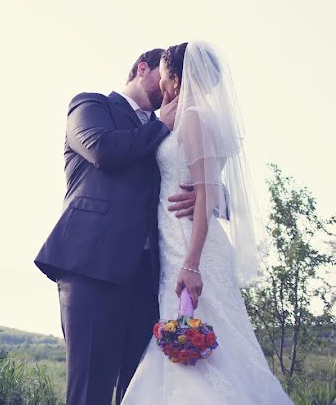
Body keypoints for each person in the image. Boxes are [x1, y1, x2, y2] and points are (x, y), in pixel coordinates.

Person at [120, 41, 292, 404]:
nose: (162, 87)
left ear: (178, 80)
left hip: (190, 248)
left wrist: (192, 263)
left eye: (165, 78)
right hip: (175, 245)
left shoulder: (194, 118)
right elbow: (206, 190)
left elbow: (206, 190)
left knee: (202, 345)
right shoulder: (185, 118)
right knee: (198, 346)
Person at [33, 48, 198, 405]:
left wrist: (206, 196)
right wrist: (160, 125)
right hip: (91, 264)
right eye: (165, 73)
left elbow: (187, 173)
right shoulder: (91, 105)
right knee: (90, 388)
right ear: (143, 69)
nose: (173, 85)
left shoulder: (165, 130)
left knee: (139, 391)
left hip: (148, 276)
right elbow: (103, 151)